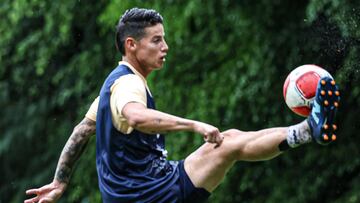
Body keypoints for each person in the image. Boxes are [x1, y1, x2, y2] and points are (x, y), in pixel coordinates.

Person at [24, 8, 340, 203]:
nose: (166, 47)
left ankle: (308, 129)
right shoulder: (128, 85)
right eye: (156, 40)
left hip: (146, 188)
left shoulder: (112, 86)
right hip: (148, 194)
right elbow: (137, 116)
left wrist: (60, 181)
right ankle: (309, 129)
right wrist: (194, 124)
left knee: (229, 141)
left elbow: (82, 131)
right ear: (132, 45)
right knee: (227, 144)